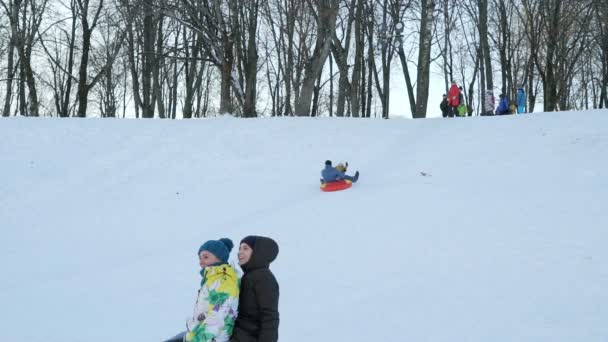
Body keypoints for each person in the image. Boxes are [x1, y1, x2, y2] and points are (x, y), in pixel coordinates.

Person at [164, 238, 240, 342]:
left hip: (211, 338)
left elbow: (217, 317)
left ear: (219, 257)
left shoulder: (224, 280)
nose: (201, 262)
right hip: (202, 333)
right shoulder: (213, 278)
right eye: (200, 258)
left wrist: (197, 339)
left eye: (205, 257)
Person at [231, 236, 280, 342]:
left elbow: (270, 317)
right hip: (238, 335)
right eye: (239, 248)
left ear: (257, 252)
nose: (240, 252)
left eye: (245, 248)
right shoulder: (248, 276)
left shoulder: (264, 278)